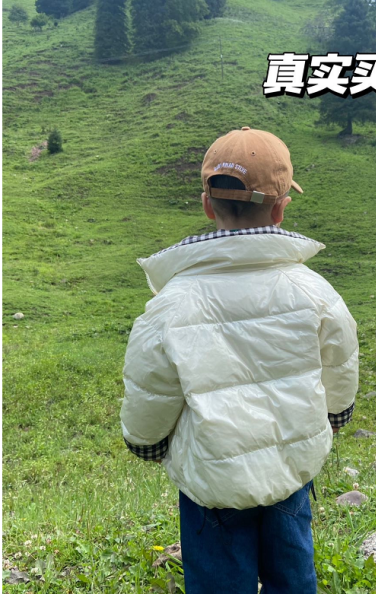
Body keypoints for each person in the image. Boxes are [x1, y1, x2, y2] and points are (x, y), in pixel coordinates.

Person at [120, 126, 359, 594]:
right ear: (281, 208)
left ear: (208, 205)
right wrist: (335, 417)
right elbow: (340, 370)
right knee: (293, 576)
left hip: (214, 484)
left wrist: (145, 443)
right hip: (290, 471)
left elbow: (151, 390)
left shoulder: (171, 304)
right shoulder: (317, 293)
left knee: (219, 583)